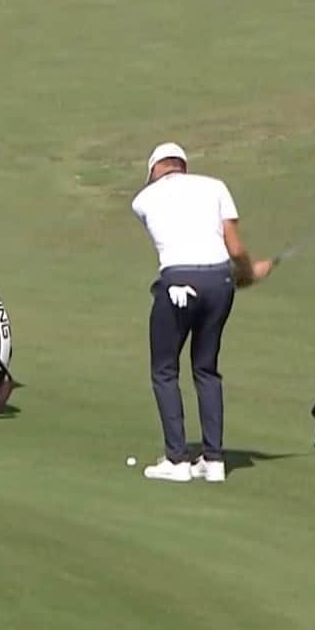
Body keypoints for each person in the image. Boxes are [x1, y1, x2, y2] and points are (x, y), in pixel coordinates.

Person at [131, 142, 274, 483]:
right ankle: (214, 461)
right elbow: (235, 247)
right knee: (206, 369)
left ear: (154, 170)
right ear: (183, 165)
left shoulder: (142, 199)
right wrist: (248, 273)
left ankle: (177, 460)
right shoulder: (216, 186)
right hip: (219, 281)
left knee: (165, 370)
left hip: (178, 282)